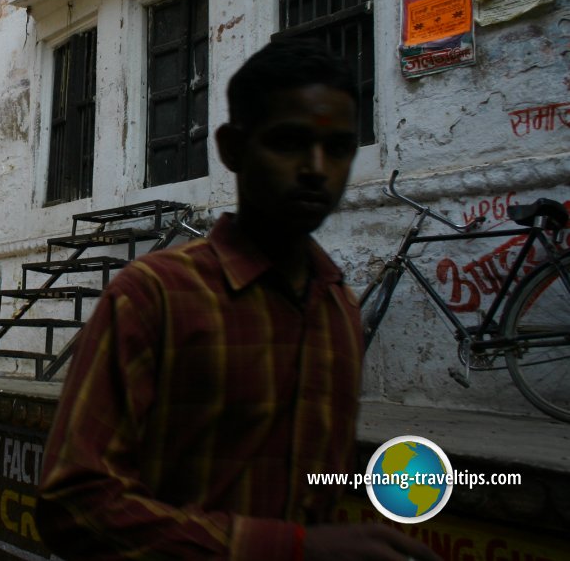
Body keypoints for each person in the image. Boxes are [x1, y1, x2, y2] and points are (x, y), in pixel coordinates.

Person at [36, 40, 441, 561]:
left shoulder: (338, 310)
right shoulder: (152, 296)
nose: (317, 167)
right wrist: (291, 550)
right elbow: (73, 504)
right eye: (289, 142)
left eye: (338, 148)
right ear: (232, 148)